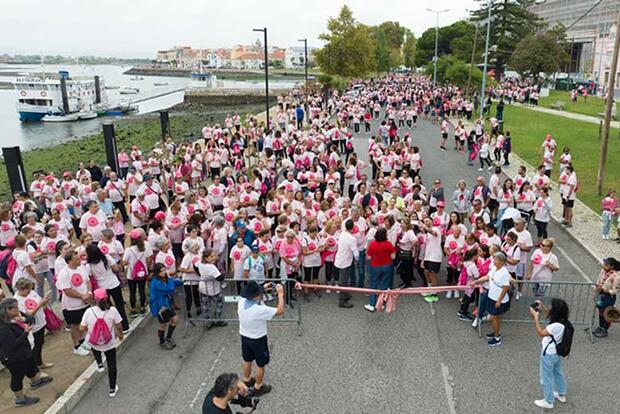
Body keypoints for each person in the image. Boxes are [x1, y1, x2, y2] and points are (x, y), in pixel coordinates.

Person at [0, 297, 53, 407]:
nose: (18, 309)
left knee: (30, 365)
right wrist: (25, 333)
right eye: (15, 308)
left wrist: (22, 319)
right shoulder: (3, 327)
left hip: (24, 350)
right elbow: (12, 345)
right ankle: (20, 399)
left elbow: (31, 319)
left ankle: (35, 381)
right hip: (13, 357)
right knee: (17, 376)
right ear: (7, 310)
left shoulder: (17, 315)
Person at [237, 280, 285, 396]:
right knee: (260, 364)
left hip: (245, 336)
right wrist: (280, 294)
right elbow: (280, 311)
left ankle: (247, 380)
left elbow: (254, 296)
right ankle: (258, 386)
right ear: (256, 296)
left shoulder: (241, 301)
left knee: (247, 360)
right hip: (258, 339)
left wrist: (262, 288)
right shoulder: (259, 310)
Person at [79, 288, 124, 398]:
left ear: (95, 299)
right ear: (107, 298)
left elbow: (81, 328)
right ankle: (112, 389)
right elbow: (119, 325)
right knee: (112, 364)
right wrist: (120, 335)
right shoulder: (112, 310)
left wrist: (90, 330)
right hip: (109, 343)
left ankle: (99, 364)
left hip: (94, 342)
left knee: (95, 348)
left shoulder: (89, 311)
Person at [529, 298, 569, 409]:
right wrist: (542, 306)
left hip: (549, 353)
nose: (550, 308)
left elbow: (541, 332)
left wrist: (536, 317)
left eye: (551, 306)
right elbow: (550, 314)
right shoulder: (563, 320)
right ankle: (561, 393)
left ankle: (548, 401)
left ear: (555, 310)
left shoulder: (554, 326)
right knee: (558, 372)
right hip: (557, 352)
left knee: (545, 377)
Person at [471, 252, 511, 347]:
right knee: (495, 317)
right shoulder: (494, 268)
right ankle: (496, 332)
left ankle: (497, 338)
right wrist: (476, 281)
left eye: (496, 260)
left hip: (498, 299)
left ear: (501, 261)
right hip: (492, 296)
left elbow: (506, 287)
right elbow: (487, 277)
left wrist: (499, 300)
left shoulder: (504, 273)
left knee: (495, 318)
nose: (494, 261)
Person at [13, 279, 53, 369]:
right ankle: (35, 367)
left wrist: (44, 301)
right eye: (28, 289)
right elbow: (27, 316)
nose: (30, 291)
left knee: (40, 343)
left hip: (40, 322)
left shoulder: (32, 293)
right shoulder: (16, 301)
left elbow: (39, 301)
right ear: (22, 289)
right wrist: (40, 304)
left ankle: (39, 363)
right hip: (31, 327)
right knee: (34, 346)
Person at [149, 263, 183, 350]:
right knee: (163, 324)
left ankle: (168, 337)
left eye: (165, 270)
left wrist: (183, 280)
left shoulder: (164, 279)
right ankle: (162, 342)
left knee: (175, 319)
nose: (164, 272)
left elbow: (175, 283)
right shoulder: (155, 282)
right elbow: (169, 288)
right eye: (162, 271)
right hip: (160, 306)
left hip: (167, 304)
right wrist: (157, 309)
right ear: (157, 272)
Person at [365, 228, 395, 312]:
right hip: (387, 266)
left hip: (375, 266)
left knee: (373, 284)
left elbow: (368, 257)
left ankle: (372, 304)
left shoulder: (372, 244)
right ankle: (381, 303)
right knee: (384, 284)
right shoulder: (389, 244)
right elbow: (393, 256)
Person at [334, 220, 359, 308]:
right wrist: (356, 260)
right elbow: (356, 253)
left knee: (342, 279)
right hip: (345, 262)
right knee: (344, 282)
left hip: (339, 259)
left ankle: (346, 294)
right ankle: (342, 301)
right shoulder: (352, 239)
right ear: (353, 228)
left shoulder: (342, 234)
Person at [593, 257, 619, 338]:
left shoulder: (616, 276)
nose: (604, 266)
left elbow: (616, 290)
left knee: (606, 313)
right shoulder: (603, 271)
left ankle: (605, 330)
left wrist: (605, 290)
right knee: (600, 311)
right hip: (601, 295)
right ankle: (600, 327)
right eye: (604, 264)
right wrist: (597, 290)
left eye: (606, 265)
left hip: (609, 297)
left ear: (612, 266)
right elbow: (598, 281)